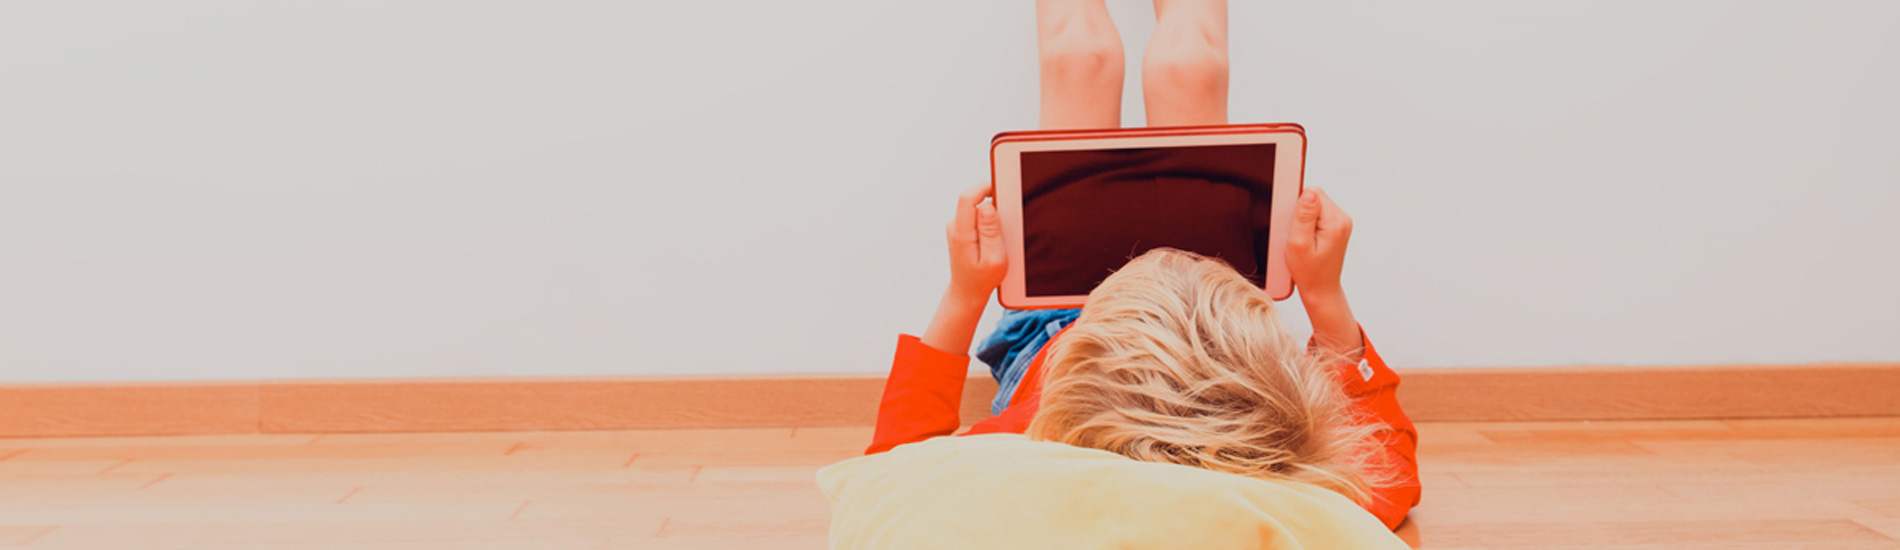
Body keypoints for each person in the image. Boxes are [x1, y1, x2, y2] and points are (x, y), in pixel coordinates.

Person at [862, 0, 1421, 530]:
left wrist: (964, 295)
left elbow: (893, 475)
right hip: (1205, 335)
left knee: (1079, 58)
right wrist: (1325, 296)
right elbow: (1390, 469)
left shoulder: (1026, 443)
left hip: (1068, 333)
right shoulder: (1277, 488)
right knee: (1189, 67)